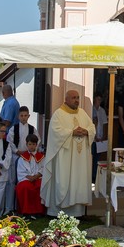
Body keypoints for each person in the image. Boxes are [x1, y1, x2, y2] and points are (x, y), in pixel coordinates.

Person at [40, 89, 95, 218]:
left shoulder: (82, 113)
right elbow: (55, 132)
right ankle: (58, 212)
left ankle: (77, 212)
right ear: (66, 99)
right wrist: (72, 132)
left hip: (79, 159)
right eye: (73, 98)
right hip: (64, 157)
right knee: (64, 180)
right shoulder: (58, 114)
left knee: (78, 180)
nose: (76, 100)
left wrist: (86, 131)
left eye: (78, 97)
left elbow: (92, 127)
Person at [15, 134, 46, 218]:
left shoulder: (41, 157)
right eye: (30, 144)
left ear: (36, 145)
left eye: (33, 144)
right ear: (26, 144)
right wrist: (29, 177)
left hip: (38, 177)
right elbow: (20, 171)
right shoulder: (22, 158)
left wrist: (36, 176)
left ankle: (39, 211)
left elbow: (44, 168)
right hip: (26, 179)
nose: (31, 146)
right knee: (25, 187)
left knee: (40, 186)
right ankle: (27, 212)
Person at [92, 93, 108, 183]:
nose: (99, 101)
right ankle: (91, 176)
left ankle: (95, 176)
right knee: (92, 157)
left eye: (100, 100)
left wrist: (104, 136)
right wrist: (94, 136)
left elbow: (105, 123)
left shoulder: (102, 111)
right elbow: (92, 124)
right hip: (93, 139)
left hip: (100, 138)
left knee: (97, 159)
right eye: (97, 99)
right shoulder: (91, 109)